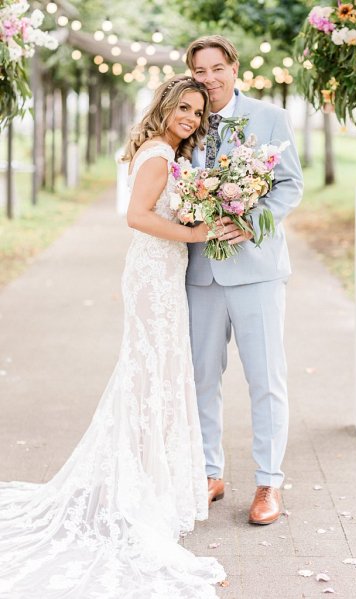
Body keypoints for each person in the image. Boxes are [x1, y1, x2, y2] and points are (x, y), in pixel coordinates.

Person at [0, 75, 225, 598]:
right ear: (167, 105)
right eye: (184, 108)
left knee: (156, 375)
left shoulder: (168, 150)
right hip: (152, 275)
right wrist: (198, 231)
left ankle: (149, 482)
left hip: (164, 272)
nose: (191, 118)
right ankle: (141, 489)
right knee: (150, 374)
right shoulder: (158, 156)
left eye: (199, 112)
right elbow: (137, 216)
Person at [185, 35, 303, 524]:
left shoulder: (269, 117)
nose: (209, 79)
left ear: (233, 67)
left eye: (217, 68)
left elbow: (290, 184)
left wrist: (250, 222)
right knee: (201, 378)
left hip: (256, 269)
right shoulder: (185, 116)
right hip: (199, 272)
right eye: (200, 71)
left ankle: (268, 484)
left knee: (265, 378)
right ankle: (209, 472)